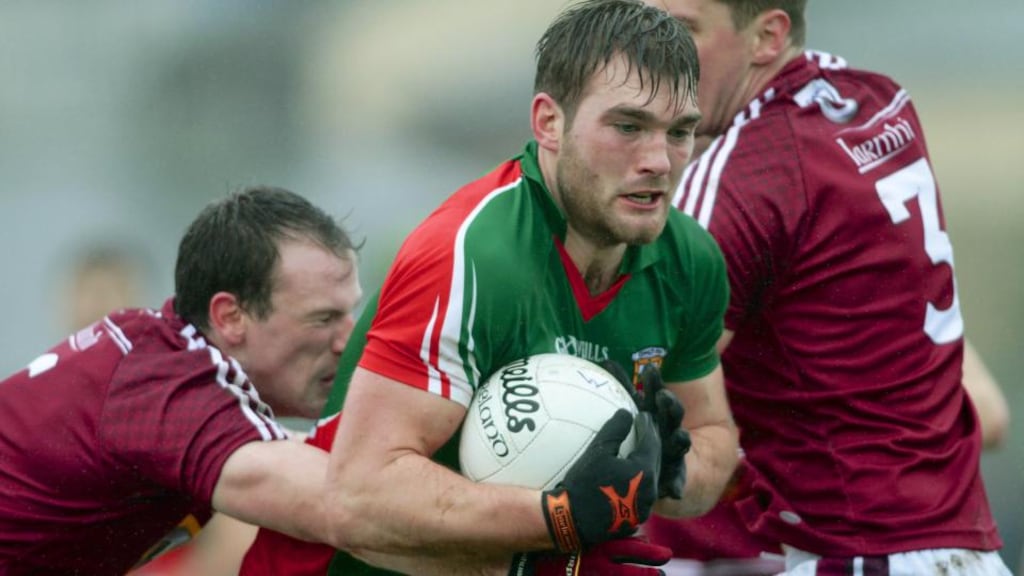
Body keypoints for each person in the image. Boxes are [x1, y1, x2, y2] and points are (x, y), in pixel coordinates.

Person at [240, 1, 739, 574]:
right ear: (549, 123)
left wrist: (669, 474)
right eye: (627, 126)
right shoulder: (471, 257)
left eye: (680, 131)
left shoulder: (690, 261)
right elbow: (359, 496)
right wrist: (559, 518)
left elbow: (712, 436)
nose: (658, 160)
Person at [638, 1, 1012, 574]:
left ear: (767, 36)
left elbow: (629, 396)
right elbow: (981, 404)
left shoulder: (745, 179)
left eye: (681, 31)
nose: (650, 54)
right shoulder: (879, 101)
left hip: (856, 554)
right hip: (958, 549)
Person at [0, 186, 366, 575]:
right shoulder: (160, 388)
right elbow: (344, 505)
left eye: (350, 313)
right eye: (323, 318)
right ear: (229, 316)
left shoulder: (156, 371)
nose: (349, 342)